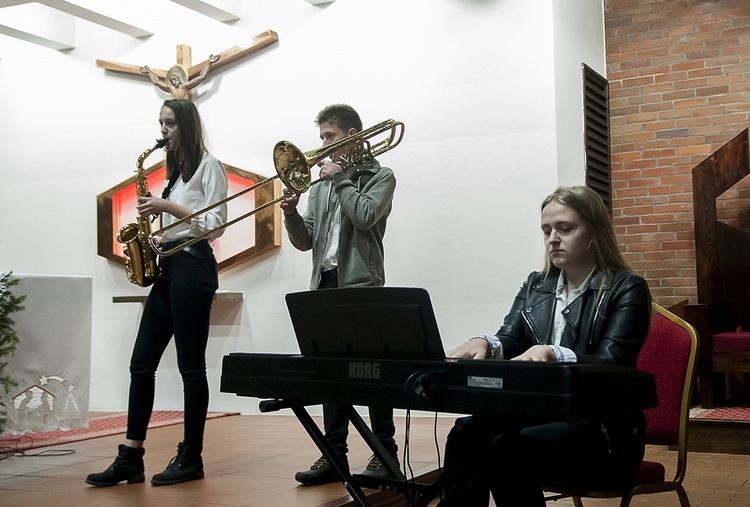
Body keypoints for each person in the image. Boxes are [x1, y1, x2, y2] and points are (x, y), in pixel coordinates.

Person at [436, 185, 652, 506]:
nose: (553, 238)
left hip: (603, 432)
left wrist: (554, 353)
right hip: (541, 416)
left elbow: (614, 365)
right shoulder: (537, 285)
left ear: (594, 231)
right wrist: (485, 343)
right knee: (466, 433)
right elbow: (510, 338)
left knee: (506, 451)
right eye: (546, 230)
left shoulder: (627, 288)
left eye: (565, 229)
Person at [86, 98, 228, 488]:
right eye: (161, 123)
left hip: (194, 264)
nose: (163, 130)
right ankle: (131, 456)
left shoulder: (209, 166)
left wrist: (168, 206)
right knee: (141, 363)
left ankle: (191, 456)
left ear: (186, 125)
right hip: (168, 266)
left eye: (170, 123)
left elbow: (216, 225)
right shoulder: (173, 171)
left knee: (190, 367)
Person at [280, 104, 398, 485]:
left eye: (329, 137)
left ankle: (385, 454)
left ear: (351, 135)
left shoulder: (380, 176)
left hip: (361, 285)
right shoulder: (320, 186)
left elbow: (365, 216)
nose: (322, 147)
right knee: (331, 376)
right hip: (325, 285)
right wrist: (292, 214)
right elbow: (305, 242)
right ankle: (334, 455)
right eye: (321, 138)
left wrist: (342, 179)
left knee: (373, 374)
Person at [140, 54, 219, 100]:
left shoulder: (184, 86)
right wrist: (149, 72)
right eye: (172, 80)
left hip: (185, 107)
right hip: (175, 109)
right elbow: (156, 82)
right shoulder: (170, 88)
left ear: (180, 79)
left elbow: (201, 77)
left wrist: (209, 63)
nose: (174, 81)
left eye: (175, 79)